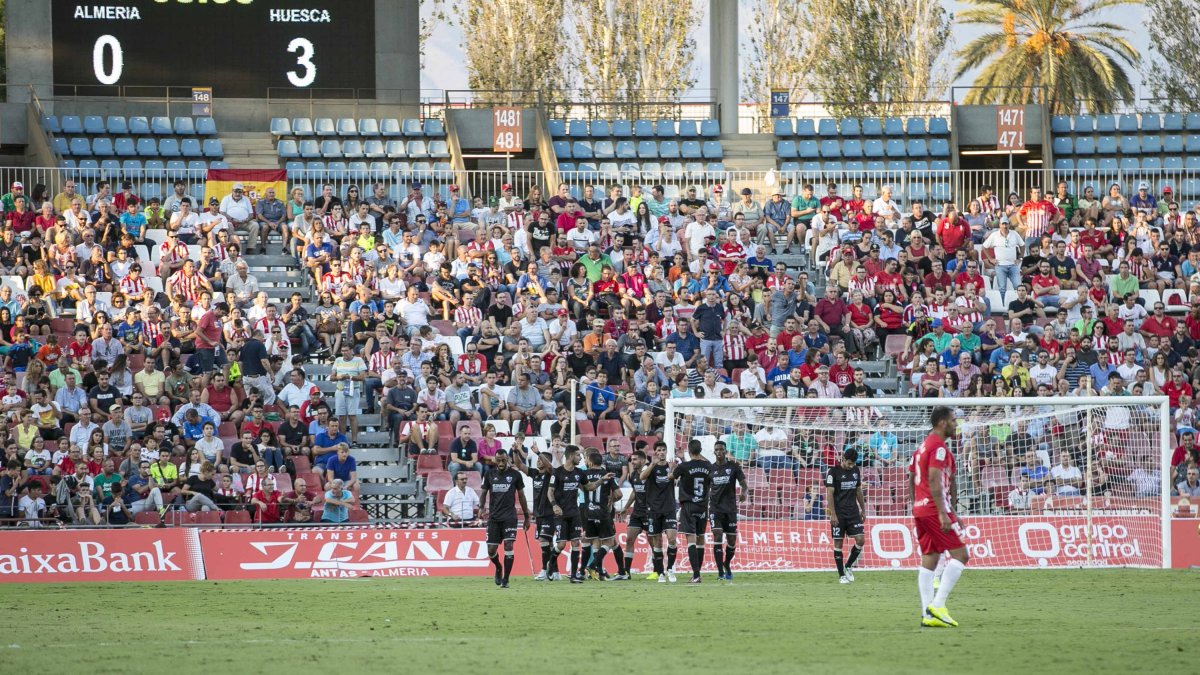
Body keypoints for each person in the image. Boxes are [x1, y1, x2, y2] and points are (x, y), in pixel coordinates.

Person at [912, 406, 968, 628]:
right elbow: (935, 480)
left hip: (921, 508)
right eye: (953, 420)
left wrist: (917, 502)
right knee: (961, 555)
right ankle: (938, 605)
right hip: (934, 509)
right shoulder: (938, 447)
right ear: (942, 423)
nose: (956, 424)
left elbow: (912, 475)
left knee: (930, 559)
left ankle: (927, 615)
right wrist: (944, 513)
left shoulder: (923, 446)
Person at [479, 451, 529, 588]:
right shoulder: (489, 474)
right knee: (491, 550)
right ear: (495, 460)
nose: (501, 463)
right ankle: (498, 567)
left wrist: (526, 516)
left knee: (508, 545)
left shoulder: (515, 475)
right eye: (498, 460)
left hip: (509, 517)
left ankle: (506, 579)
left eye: (503, 460)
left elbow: (522, 496)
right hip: (494, 518)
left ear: (508, 459)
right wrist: (481, 507)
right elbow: (483, 492)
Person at [672, 438, 713, 583]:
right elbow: (710, 469)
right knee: (700, 539)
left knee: (691, 540)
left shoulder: (683, 466)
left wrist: (672, 467)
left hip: (689, 505)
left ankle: (696, 575)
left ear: (689, 451)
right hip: (703, 506)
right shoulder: (708, 465)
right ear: (700, 450)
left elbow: (671, 478)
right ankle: (697, 574)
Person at [826, 447, 867, 584]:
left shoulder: (855, 470)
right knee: (838, 543)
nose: (851, 466)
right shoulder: (833, 472)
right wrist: (833, 514)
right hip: (838, 513)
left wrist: (863, 509)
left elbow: (858, 490)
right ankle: (841, 575)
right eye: (849, 463)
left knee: (861, 540)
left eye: (853, 463)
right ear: (843, 459)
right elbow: (829, 493)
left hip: (853, 512)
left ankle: (848, 566)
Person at [641, 442, 680, 583]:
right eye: (659, 450)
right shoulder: (649, 466)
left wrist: (672, 470)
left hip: (669, 508)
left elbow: (674, 480)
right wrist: (652, 464)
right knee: (657, 542)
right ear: (655, 452)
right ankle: (661, 573)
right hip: (654, 509)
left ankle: (670, 569)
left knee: (672, 539)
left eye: (664, 450)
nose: (662, 452)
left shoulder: (672, 466)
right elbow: (642, 477)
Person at [581, 450, 623, 581]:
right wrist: (611, 502)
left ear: (590, 462)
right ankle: (592, 566)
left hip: (588, 512)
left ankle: (596, 572)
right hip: (603, 512)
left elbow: (582, 488)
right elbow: (619, 494)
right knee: (610, 542)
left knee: (594, 541)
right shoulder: (607, 474)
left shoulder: (584, 474)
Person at [709, 441, 747, 581]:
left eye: (721, 449)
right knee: (718, 536)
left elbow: (744, 484)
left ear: (725, 451)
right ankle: (720, 572)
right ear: (714, 452)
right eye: (717, 449)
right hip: (715, 509)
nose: (719, 452)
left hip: (730, 509)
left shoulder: (733, 466)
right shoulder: (710, 469)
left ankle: (727, 563)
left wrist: (744, 492)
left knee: (731, 541)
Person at [549, 446, 586, 582]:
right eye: (578, 455)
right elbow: (550, 492)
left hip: (574, 513)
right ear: (570, 456)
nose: (580, 458)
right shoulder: (557, 472)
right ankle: (551, 562)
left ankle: (574, 575)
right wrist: (554, 505)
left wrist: (601, 480)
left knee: (576, 543)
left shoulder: (579, 473)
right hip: (561, 514)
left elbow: (587, 487)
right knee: (561, 544)